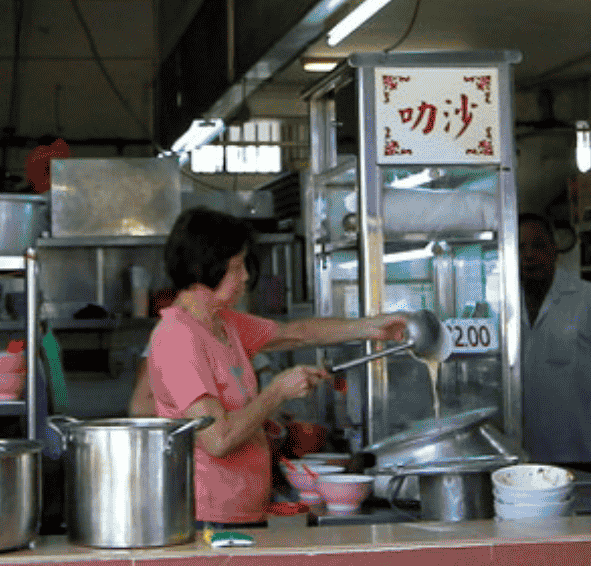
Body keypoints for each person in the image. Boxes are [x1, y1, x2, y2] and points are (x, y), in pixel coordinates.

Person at [144, 208, 406, 528]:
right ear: (205, 268)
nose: (245, 277)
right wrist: (278, 392)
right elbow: (218, 439)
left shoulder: (222, 323)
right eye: (237, 267)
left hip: (243, 511)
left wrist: (371, 328)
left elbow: (295, 333)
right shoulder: (177, 338)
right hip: (207, 519)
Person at [518, 212, 591, 472]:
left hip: (579, 452)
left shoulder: (589, 299)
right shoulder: (502, 303)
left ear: (554, 250)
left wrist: (587, 394)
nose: (529, 255)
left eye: (538, 245)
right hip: (522, 455)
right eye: (521, 248)